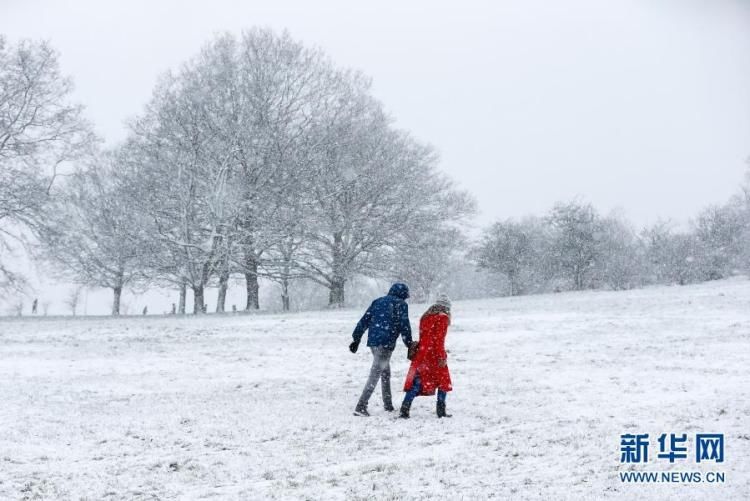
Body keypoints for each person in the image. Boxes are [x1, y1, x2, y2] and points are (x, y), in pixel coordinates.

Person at [350, 283, 414, 417]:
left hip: (373, 342)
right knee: (375, 375)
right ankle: (361, 406)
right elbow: (404, 325)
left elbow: (364, 320)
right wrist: (409, 343)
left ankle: (388, 404)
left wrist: (356, 338)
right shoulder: (401, 304)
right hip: (386, 343)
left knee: (385, 373)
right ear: (402, 294)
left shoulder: (378, 302)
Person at [400, 294, 453, 419]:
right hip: (434, 355)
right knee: (443, 382)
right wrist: (441, 356)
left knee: (417, 382)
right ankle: (441, 410)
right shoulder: (442, 318)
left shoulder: (425, 316)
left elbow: (426, 337)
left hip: (422, 353)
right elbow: (438, 340)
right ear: (446, 307)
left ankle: (404, 409)